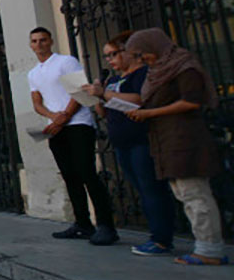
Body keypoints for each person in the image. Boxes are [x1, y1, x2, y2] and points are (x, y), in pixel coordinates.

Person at [124, 29, 227, 265]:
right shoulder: (158, 71)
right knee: (183, 192)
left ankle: (210, 249)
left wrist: (150, 112)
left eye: (143, 54)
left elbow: (191, 100)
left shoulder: (183, 66)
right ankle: (203, 245)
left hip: (185, 138)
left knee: (195, 193)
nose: (142, 60)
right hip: (166, 139)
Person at [82, 32, 175, 256]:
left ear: (130, 52)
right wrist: (98, 97)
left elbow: (140, 100)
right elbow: (104, 111)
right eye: (107, 57)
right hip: (121, 141)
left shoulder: (142, 74)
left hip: (142, 139)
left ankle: (161, 238)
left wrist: (105, 93)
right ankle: (155, 233)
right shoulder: (113, 80)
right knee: (140, 188)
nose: (110, 60)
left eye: (114, 54)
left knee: (151, 188)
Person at [27, 27, 118, 245]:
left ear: (50, 41)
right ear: (30, 45)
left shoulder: (66, 61)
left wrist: (65, 115)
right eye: (34, 41)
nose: (39, 44)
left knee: (86, 172)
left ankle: (106, 225)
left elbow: (79, 90)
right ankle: (82, 223)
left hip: (78, 123)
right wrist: (53, 117)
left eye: (43, 40)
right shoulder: (33, 73)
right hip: (56, 129)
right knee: (69, 175)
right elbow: (37, 103)